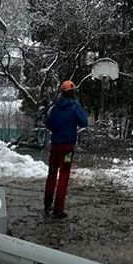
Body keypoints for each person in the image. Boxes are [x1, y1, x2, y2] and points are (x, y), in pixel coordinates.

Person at [42, 80, 90, 218]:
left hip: (55, 146)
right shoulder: (74, 106)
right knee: (64, 176)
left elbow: (48, 123)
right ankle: (58, 209)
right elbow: (84, 122)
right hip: (68, 148)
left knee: (51, 174)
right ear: (72, 92)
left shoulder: (55, 107)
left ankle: (47, 204)